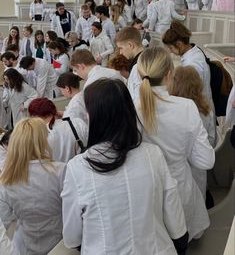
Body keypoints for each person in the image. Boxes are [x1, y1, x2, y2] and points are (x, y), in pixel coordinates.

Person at [62, 78, 188, 255]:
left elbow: (72, 237)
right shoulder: (153, 154)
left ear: (94, 116)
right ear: (129, 112)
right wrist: (180, 241)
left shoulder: (78, 168)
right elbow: (174, 215)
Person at [137, 47, 215, 240]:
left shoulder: (130, 108)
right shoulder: (186, 107)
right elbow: (206, 161)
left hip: (145, 192)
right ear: (170, 74)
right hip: (180, 187)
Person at [0, 118, 66, 255]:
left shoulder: (7, 179)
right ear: (42, 140)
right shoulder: (60, 171)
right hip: (61, 243)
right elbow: (72, 211)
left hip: (27, 245)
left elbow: (5, 220)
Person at [169, 65, 217, 198]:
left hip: (175, 168)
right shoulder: (206, 109)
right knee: (198, 204)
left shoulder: (170, 109)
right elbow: (212, 140)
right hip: (199, 168)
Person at [162, 21, 212, 99]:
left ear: (179, 44)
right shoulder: (195, 51)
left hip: (199, 107)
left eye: (171, 48)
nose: (170, 51)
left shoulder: (192, 64)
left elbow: (190, 93)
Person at [28, 98, 88, 162]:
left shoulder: (38, 137)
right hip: (81, 168)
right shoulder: (78, 123)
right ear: (54, 111)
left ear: (34, 117)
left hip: (55, 171)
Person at [115, 27, 143, 102]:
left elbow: (137, 99)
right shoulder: (146, 58)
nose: (120, 52)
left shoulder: (138, 67)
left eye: (121, 48)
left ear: (130, 45)